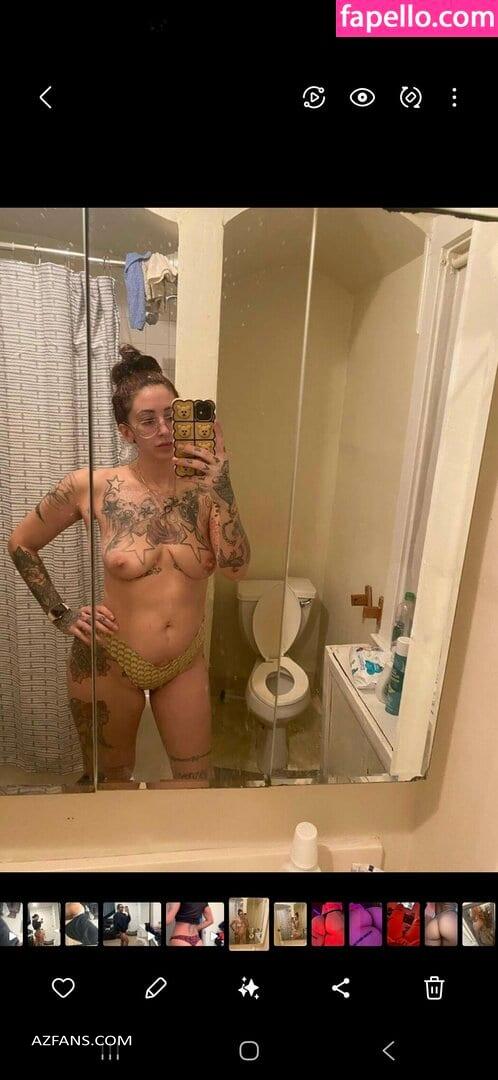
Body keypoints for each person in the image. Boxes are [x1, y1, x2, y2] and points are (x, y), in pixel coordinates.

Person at [7, 345, 250, 787]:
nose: (164, 430)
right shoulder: (92, 486)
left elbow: (236, 569)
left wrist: (225, 489)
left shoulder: (207, 489)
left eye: (171, 416)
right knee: (110, 784)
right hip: (109, 659)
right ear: (126, 431)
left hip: (184, 661)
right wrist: (61, 613)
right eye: (147, 420)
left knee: (195, 785)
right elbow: (21, 544)